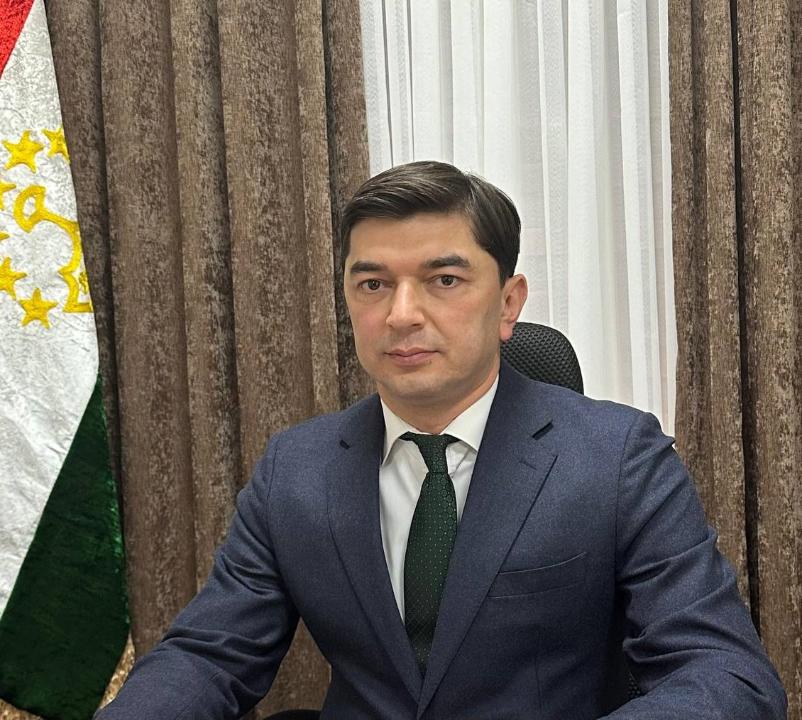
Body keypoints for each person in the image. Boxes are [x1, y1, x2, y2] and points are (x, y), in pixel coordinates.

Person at [97, 161, 786, 719]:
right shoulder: (296, 469)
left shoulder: (617, 457)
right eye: (373, 283)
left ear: (508, 303)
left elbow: (725, 674)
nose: (401, 314)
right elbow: (208, 658)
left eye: (444, 280)